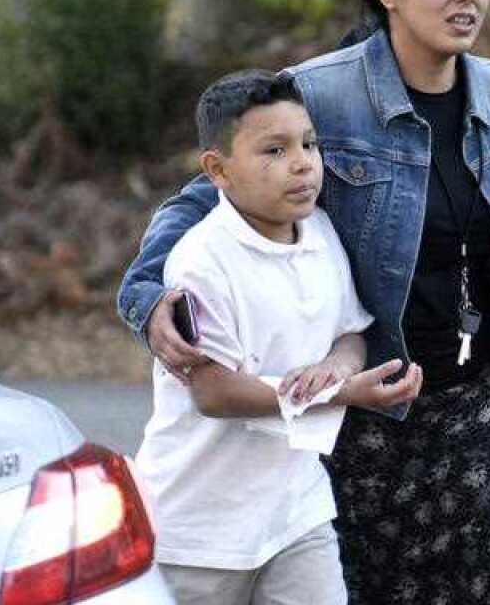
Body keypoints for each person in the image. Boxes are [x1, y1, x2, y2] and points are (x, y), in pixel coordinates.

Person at [116, 0, 490, 604]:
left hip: (482, 399)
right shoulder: (323, 95)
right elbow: (204, 200)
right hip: (369, 413)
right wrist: (146, 299)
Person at [133, 69, 422, 605]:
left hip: (295, 514)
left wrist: (337, 369)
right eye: (273, 150)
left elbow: (350, 334)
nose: (302, 163)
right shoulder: (200, 261)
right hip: (197, 530)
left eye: (308, 144)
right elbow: (214, 393)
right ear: (218, 169)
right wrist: (342, 394)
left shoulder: (320, 231)